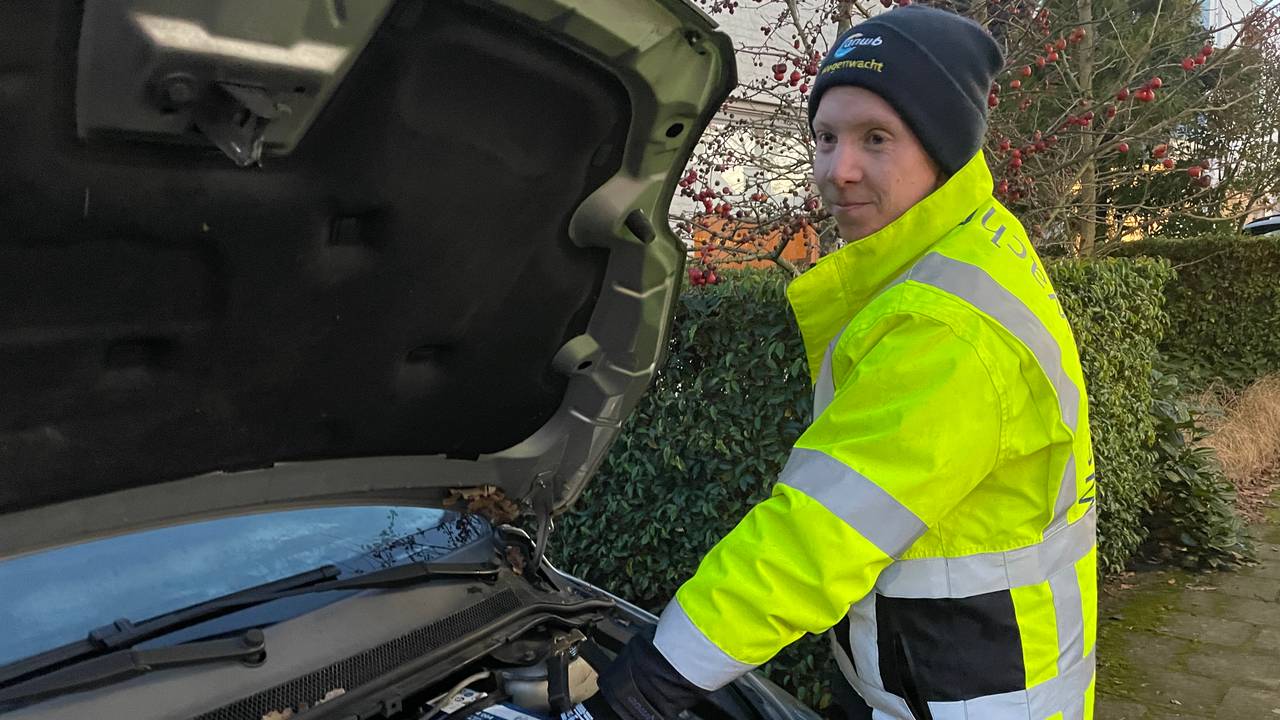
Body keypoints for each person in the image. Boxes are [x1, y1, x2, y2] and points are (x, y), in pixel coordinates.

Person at [562, 6, 1098, 719]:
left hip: (972, 702)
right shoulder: (960, 250)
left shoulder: (947, 328)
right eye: (825, 136)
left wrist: (667, 670)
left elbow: (816, 535)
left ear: (944, 147)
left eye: (877, 138)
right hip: (941, 676)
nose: (837, 170)